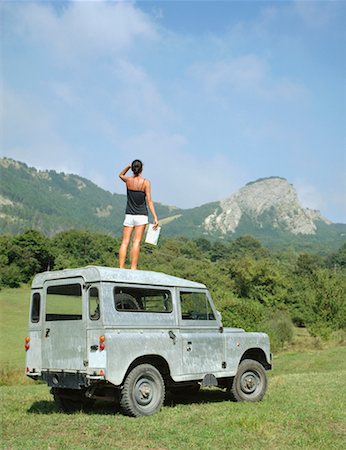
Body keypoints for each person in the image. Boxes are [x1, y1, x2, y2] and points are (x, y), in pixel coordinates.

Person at [118, 160, 159, 270]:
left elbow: (120, 175)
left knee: (125, 242)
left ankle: (121, 267)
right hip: (141, 216)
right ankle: (133, 268)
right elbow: (149, 200)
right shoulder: (146, 182)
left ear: (132, 168)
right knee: (136, 242)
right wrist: (155, 217)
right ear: (141, 169)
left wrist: (127, 166)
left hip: (129, 214)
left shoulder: (128, 180)